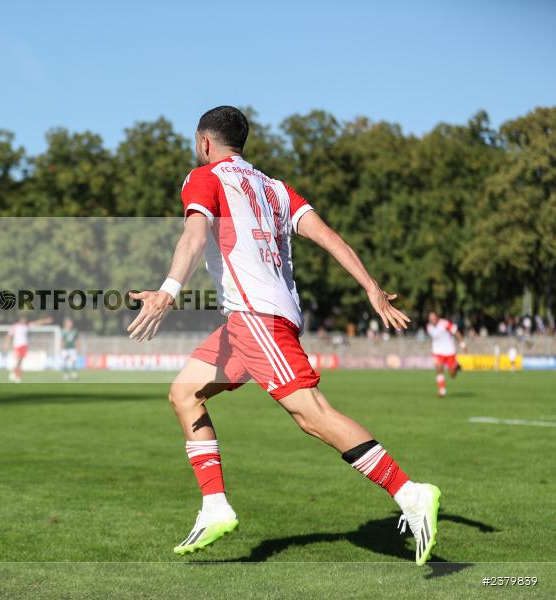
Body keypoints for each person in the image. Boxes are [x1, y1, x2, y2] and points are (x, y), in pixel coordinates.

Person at [127, 106, 440, 566]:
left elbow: (193, 237)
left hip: (256, 317)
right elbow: (329, 236)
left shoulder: (203, 177)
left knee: (311, 414)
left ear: (205, 142)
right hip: (255, 320)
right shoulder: (275, 189)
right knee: (184, 393)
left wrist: (168, 290)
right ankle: (215, 507)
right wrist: (371, 286)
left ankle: (411, 494)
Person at [425, 311, 466, 397]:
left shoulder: (445, 323)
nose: (433, 320)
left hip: (449, 351)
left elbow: (456, 332)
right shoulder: (428, 327)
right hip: (438, 352)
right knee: (439, 368)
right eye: (431, 318)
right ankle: (442, 390)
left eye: (434, 318)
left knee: (452, 375)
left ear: (437, 317)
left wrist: (463, 344)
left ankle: (456, 367)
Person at [5, 316, 52, 383]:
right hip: (18, 346)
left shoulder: (26, 326)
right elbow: (9, 335)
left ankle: (16, 375)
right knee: (18, 360)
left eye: (25, 319)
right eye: (23, 318)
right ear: (20, 319)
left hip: (24, 346)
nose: (24, 320)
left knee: (20, 361)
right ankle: (16, 375)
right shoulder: (15, 326)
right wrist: (7, 343)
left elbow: (37, 323)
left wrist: (46, 320)